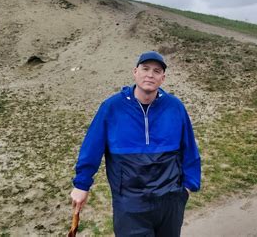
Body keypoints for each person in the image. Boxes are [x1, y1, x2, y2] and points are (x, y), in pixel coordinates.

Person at [70, 51, 201, 236]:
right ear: (135, 72)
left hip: (170, 201)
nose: (150, 74)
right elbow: (92, 146)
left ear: (162, 78)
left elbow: (189, 148)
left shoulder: (175, 107)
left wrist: (187, 188)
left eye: (156, 71)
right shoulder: (112, 107)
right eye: (145, 69)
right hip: (130, 204)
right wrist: (81, 184)